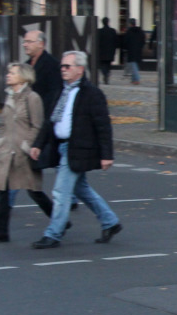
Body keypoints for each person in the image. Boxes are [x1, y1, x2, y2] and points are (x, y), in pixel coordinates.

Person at [29, 51, 122, 248]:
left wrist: (107, 155)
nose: (62, 69)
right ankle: (110, 222)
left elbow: (103, 126)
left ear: (80, 69)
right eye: (61, 66)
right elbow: (49, 122)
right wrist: (38, 144)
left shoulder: (92, 94)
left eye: (67, 66)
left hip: (78, 148)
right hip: (61, 147)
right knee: (82, 190)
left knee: (61, 192)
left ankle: (53, 234)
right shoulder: (60, 91)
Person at [0, 63, 55, 243]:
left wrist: (27, 146)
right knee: (2, 191)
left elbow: (38, 126)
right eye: (8, 72)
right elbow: (5, 124)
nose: (8, 75)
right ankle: (1, 233)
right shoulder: (9, 96)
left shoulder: (32, 98)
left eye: (12, 73)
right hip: (7, 153)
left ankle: (59, 221)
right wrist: (0, 143)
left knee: (34, 192)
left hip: (24, 154)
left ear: (23, 77)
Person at [22, 29, 61, 111]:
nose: (25, 45)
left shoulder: (52, 64)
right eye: (24, 42)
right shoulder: (26, 65)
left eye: (29, 42)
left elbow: (53, 93)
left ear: (41, 44)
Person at [121, 18, 145, 84]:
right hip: (138, 50)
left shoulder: (129, 31)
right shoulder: (140, 31)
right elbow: (143, 40)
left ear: (130, 24)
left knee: (133, 64)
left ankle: (137, 79)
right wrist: (140, 46)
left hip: (131, 50)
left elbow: (125, 41)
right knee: (134, 64)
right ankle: (133, 79)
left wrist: (125, 47)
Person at [96, 17, 118, 85]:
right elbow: (116, 41)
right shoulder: (112, 31)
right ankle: (107, 74)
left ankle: (105, 74)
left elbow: (97, 41)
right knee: (108, 64)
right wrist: (115, 49)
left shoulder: (99, 31)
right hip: (110, 50)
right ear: (108, 22)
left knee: (102, 64)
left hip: (102, 50)